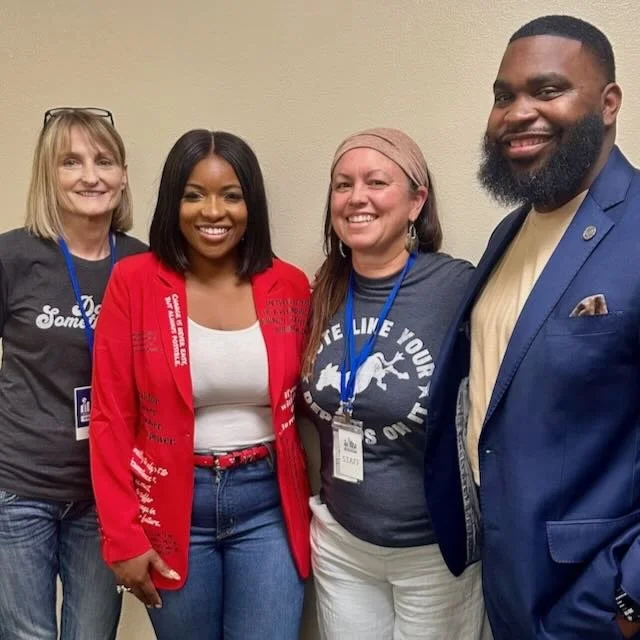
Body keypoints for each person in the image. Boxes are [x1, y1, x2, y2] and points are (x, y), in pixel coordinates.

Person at [424, 14, 640, 640]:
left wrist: (628, 601)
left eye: (548, 90)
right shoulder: (510, 232)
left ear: (608, 103)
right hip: (509, 579)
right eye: (503, 96)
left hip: (596, 598)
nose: (518, 113)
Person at [89, 129, 311, 640]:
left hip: (268, 506)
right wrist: (122, 537)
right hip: (171, 507)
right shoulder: (134, 282)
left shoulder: (290, 285)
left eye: (231, 195)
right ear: (174, 203)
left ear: (251, 205)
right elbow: (111, 417)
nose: (213, 211)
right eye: (194, 195)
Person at [301, 127, 487, 639]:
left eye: (376, 182)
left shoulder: (456, 287)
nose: (356, 197)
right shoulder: (322, 291)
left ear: (415, 202)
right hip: (342, 545)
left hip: (432, 555)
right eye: (343, 185)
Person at [0, 108, 146, 639]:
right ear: (48, 174)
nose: (90, 176)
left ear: (123, 175)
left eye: (104, 161)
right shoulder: (13, 256)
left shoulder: (141, 265)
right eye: (71, 162)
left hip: (104, 494)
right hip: (19, 490)